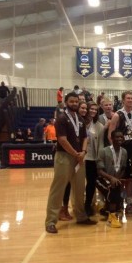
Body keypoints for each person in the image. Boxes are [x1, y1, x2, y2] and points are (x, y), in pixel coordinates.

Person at [45, 92, 96, 234]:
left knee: (80, 188)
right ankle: (50, 221)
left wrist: (84, 152)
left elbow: (85, 137)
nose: (74, 103)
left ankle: (80, 216)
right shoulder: (61, 118)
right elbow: (62, 139)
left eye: (76, 101)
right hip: (65, 157)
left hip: (79, 157)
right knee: (58, 189)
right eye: (71, 101)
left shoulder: (79, 118)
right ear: (66, 102)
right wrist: (75, 154)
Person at [108, 91, 132, 214]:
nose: (131, 100)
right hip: (122, 149)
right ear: (123, 100)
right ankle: (119, 200)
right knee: (121, 177)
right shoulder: (118, 115)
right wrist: (114, 150)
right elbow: (110, 133)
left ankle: (129, 201)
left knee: (131, 178)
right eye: (128, 98)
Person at [96, 130, 127, 228]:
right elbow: (99, 171)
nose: (119, 139)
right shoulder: (103, 151)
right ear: (111, 138)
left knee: (116, 191)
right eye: (117, 137)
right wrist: (111, 178)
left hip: (115, 180)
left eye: (121, 137)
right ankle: (112, 216)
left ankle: (106, 209)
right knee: (113, 190)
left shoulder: (124, 152)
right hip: (101, 179)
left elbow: (122, 169)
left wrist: (117, 179)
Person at [84, 101, 105, 217]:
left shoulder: (99, 126)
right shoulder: (81, 123)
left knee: (91, 183)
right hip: (81, 158)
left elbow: (101, 144)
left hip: (92, 159)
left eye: (95, 109)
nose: (93, 111)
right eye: (91, 109)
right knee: (79, 184)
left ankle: (88, 205)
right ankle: (77, 205)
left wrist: (99, 159)